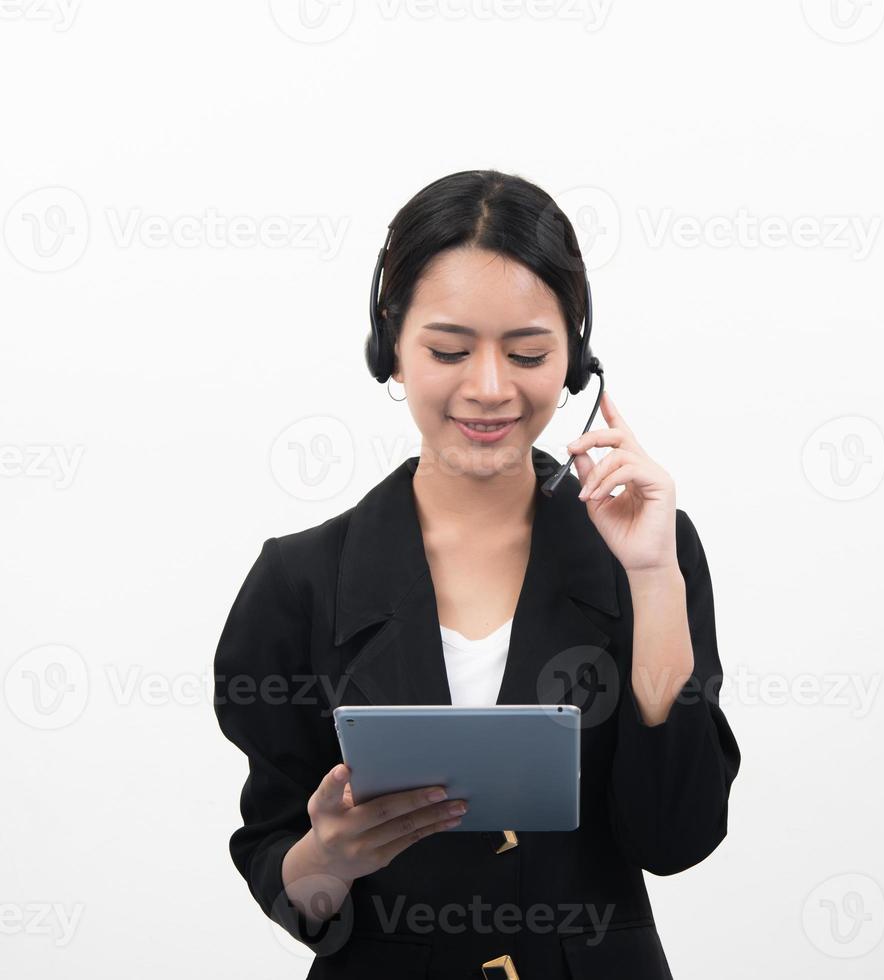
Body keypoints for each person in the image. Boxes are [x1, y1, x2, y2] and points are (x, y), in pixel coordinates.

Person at [213, 169, 741, 979]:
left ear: (574, 360)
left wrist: (652, 578)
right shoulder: (301, 580)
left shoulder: (650, 552)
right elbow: (282, 869)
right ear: (388, 346)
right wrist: (328, 857)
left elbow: (675, 838)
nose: (490, 388)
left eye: (527, 352)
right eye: (448, 350)